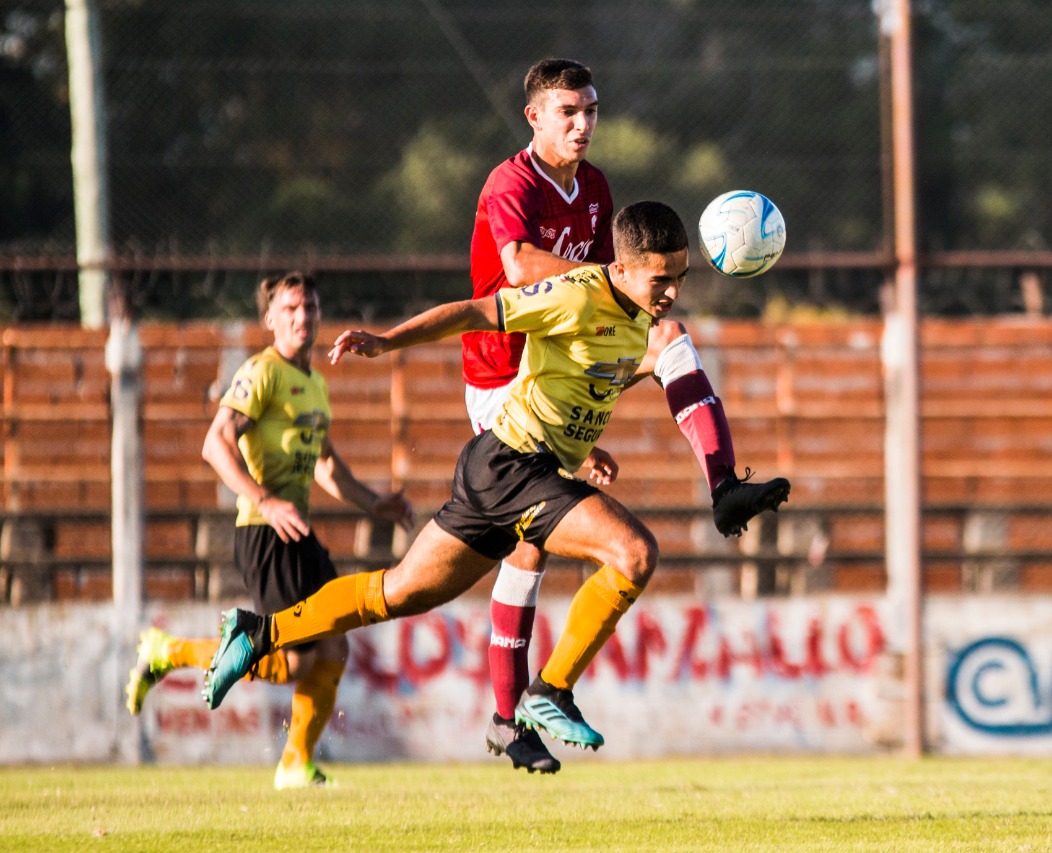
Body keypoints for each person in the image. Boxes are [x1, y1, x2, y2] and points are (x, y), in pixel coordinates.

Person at [202, 202, 782, 767]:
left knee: (398, 592)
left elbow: (596, 379)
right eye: (662, 278)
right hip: (512, 465)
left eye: (680, 277)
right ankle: (549, 692)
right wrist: (388, 341)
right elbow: (475, 312)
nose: (672, 291)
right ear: (622, 267)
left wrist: (596, 428)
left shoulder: (641, 321)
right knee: (634, 553)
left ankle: (257, 631)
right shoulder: (576, 293)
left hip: (503, 472)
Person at [465, 58, 790, 774]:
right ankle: (504, 714)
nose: (583, 124)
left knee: (671, 339)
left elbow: (614, 300)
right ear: (535, 118)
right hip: (503, 378)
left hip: (567, 365)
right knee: (521, 553)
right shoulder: (510, 184)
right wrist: (605, 284)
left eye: (590, 111)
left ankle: (724, 484)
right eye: (568, 112)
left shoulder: (597, 188)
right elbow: (518, 266)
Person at [124, 271, 414, 790]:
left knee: (334, 646)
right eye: (291, 309)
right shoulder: (261, 373)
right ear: (270, 320)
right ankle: (167, 652)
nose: (304, 317)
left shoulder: (316, 384)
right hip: (264, 529)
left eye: (311, 308)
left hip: (295, 529)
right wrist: (264, 498)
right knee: (289, 660)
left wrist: (377, 504)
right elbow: (216, 444)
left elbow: (326, 466)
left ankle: (295, 763)